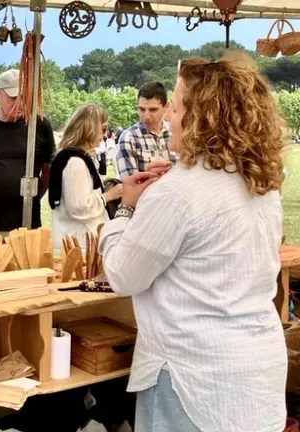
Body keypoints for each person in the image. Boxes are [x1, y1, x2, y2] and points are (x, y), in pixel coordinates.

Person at [99, 53, 287, 432]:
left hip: (192, 377)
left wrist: (127, 211)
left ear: (202, 118)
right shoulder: (261, 181)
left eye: (177, 107)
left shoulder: (178, 193)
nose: (168, 116)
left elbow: (122, 275)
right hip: (256, 367)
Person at [0, 69, 56, 255]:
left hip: (27, 221)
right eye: (14, 97)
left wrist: (36, 194)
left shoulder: (39, 125)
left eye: (24, 97)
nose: (20, 103)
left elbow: (47, 168)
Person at [48, 104, 121, 255]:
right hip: (79, 245)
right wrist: (108, 196)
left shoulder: (75, 158)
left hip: (79, 243)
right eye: (103, 129)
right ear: (90, 128)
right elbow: (79, 207)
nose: (104, 135)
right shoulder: (76, 163)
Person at [115, 82, 176, 180]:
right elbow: (129, 185)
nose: (146, 116)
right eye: (142, 110)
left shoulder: (176, 133)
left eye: (153, 110)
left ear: (166, 107)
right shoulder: (129, 138)